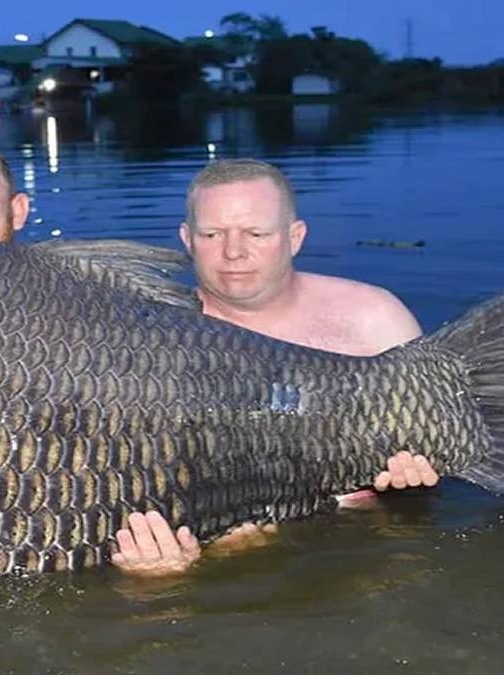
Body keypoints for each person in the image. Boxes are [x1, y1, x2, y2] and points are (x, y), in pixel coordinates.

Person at [111, 158, 440, 577]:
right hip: (229, 555)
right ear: (187, 239)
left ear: (295, 237)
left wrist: (417, 480)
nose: (233, 252)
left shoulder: (374, 319)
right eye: (212, 234)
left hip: (363, 540)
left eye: (256, 233)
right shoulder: (148, 340)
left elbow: (432, 470)